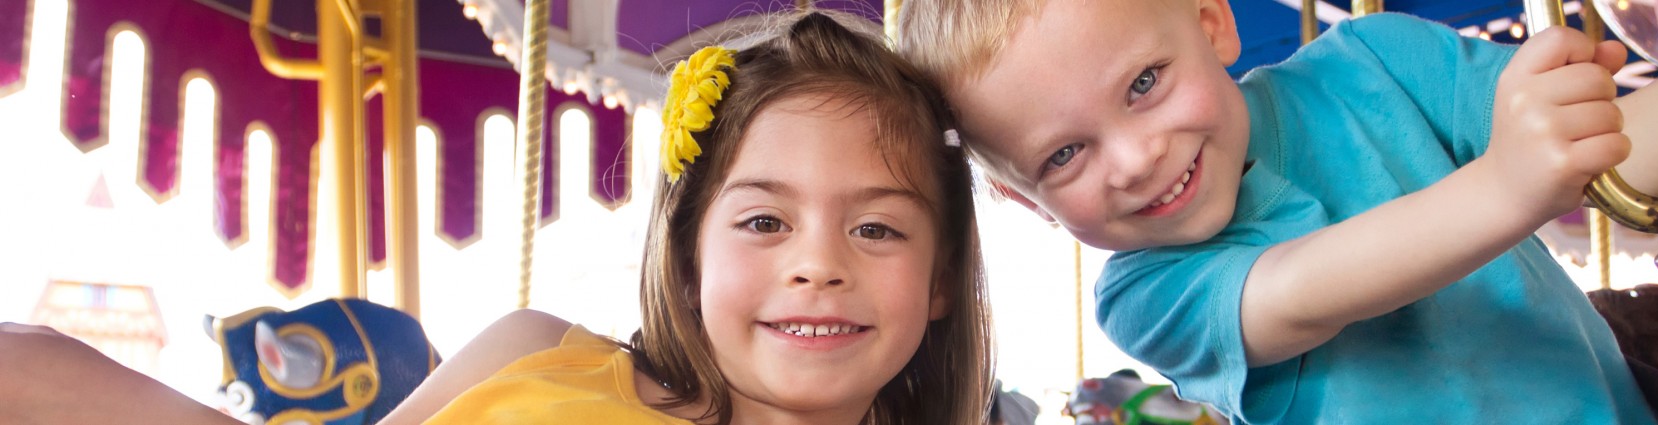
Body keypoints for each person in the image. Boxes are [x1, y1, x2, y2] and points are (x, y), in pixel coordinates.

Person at [891, 0, 1658, 422]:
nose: (1134, 157)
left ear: (1211, 23)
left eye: (1146, 84)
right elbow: (1313, 287)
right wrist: (1510, 183)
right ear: (1024, 200)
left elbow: (1596, 146)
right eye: (1066, 155)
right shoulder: (1149, 289)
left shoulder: (1375, 62)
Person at [0, 10, 992, 425]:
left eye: (878, 228)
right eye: (764, 222)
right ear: (688, 249)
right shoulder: (534, 353)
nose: (818, 263)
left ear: (944, 275)